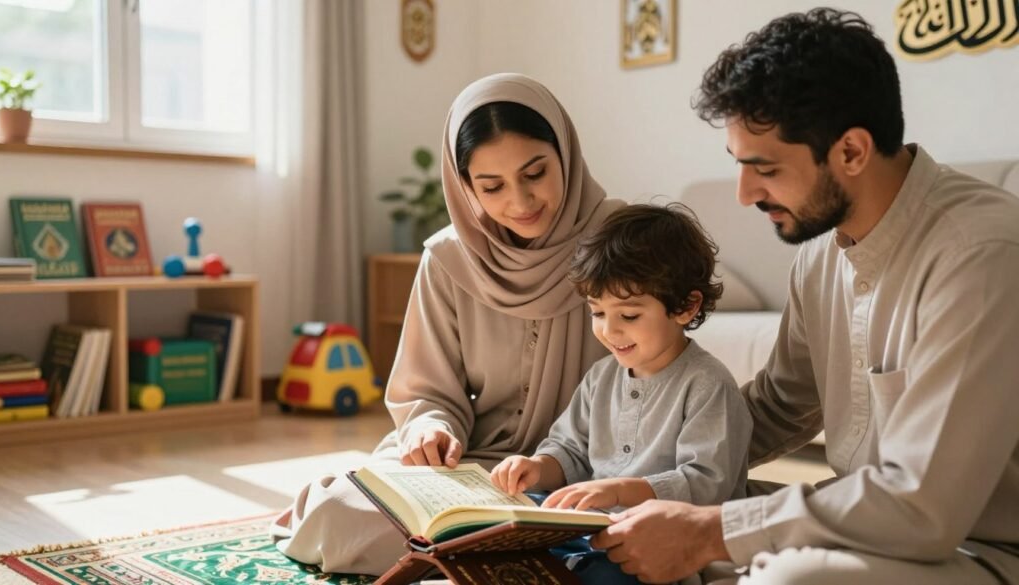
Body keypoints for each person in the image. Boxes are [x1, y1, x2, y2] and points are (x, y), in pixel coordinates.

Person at [590, 8, 1019, 584]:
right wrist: (639, 477)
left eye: (764, 168)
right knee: (633, 527)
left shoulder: (980, 254)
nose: (744, 194)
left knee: (786, 576)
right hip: (864, 518)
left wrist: (708, 531)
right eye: (739, 166)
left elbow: (923, 505)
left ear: (852, 151)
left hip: (977, 545)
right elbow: (779, 405)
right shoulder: (821, 254)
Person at [270, 73, 625, 576]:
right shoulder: (448, 259)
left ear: (565, 154)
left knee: (626, 531)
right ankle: (512, 559)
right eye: (492, 186)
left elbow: (655, 373)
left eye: (535, 173)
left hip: (585, 470)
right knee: (340, 515)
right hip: (473, 471)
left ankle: (484, 558)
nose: (521, 202)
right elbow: (426, 389)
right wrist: (431, 428)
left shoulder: (621, 242)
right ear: (465, 187)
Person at [490, 203, 752, 585]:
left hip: (656, 544)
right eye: (598, 313)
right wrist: (536, 467)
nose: (609, 331)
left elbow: (705, 484)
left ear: (685, 306)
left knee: (607, 574)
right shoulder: (601, 376)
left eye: (628, 316)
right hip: (590, 528)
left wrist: (618, 490)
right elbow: (570, 450)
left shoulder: (708, 385)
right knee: (505, 525)